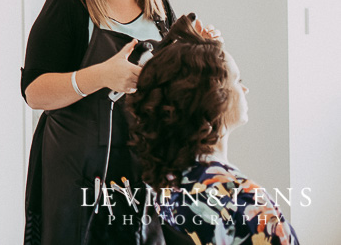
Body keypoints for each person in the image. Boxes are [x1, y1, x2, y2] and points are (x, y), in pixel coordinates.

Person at [21, 0, 176, 245]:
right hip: (80, 167)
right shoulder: (67, 7)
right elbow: (34, 91)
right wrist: (101, 75)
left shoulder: (159, 5)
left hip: (145, 160)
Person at [127, 16, 300, 244]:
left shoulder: (169, 185)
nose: (245, 89)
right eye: (238, 80)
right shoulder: (242, 199)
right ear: (212, 99)